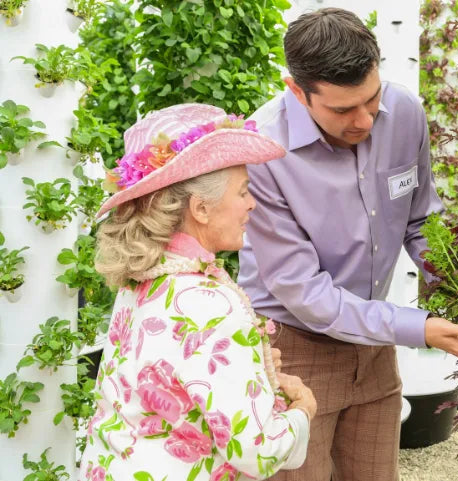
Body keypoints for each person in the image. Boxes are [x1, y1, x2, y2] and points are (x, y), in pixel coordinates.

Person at [237, 8, 458, 481]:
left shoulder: (404, 113)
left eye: (372, 98)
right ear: (296, 91)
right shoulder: (261, 153)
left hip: (375, 343)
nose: (364, 120)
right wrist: (421, 328)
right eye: (342, 110)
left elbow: (421, 219)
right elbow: (307, 296)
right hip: (292, 350)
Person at [79, 103, 317, 481]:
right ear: (201, 208)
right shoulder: (213, 304)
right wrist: (303, 412)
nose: (252, 203)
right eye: (243, 191)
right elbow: (256, 451)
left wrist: (249, 366)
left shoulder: (142, 278)